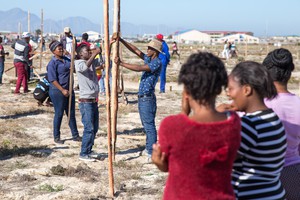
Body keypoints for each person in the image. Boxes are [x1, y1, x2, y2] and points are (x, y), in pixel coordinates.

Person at [152, 52, 241, 199]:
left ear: (186, 92)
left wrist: (183, 113)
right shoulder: (233, 123)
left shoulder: (171, 126)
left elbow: (167, 165)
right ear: (219, 89)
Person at [227, 61, 287, 199]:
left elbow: (217, 158)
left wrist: (212, 117)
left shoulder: (249, 126)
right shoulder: (272, 118)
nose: (228, 94)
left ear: (246, 90)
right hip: (273, 193)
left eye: (230, 89)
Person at [114, 36, 162, 160]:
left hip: (147, 98)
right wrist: (121, 40)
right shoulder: (150, 59)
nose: (147, 50)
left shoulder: (156, 62)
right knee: (146, 125)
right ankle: (149, 148)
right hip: (142, 98)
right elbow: (135, 50)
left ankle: (151, 152)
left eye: (150, 48)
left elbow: (139, 68)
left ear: (155, 51)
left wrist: (121, 63)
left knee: (149, 126)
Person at [263, 48, 300, 200]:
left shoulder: (259, 104)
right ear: (290, 73)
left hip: (265, 172)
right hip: (293, 169)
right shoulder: (298, 103)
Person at [47, 40, 81, 144]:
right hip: (57, 91)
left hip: (69, 89)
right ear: (53, 51)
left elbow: (75, 61)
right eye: (59, 49)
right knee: (59, 113)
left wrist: (70, 57)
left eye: (62, 48)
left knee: (71, 112)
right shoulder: (52, 63)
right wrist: (62, 90)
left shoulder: (66, 59)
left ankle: (75, 135)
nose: (61, 50)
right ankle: (56, 137)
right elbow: (52, 79)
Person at [75, 43, 103, 161]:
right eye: (87, 51)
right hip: (85, 102)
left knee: (94, 128)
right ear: (81, 54)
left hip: (93, 100)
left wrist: (100, 53)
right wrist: (95, 54)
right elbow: (85, 67)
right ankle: (83, 153)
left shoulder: (91, 62)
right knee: (89, 128)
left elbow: (102, 64)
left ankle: (89, 149)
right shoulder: (79, 63)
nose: (90, 53)